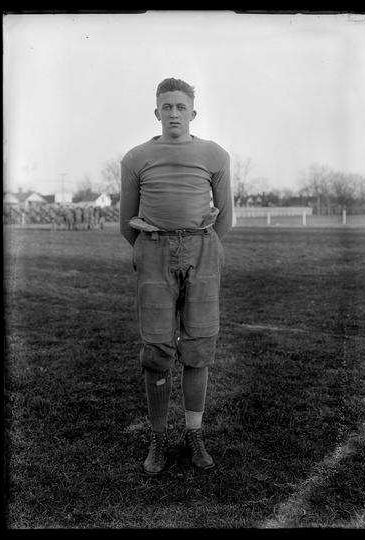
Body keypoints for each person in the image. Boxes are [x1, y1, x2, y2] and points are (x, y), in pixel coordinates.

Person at [120, 77, 233, 475]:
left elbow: (226, 218)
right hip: (153, 251)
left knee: (199, 346)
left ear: (192, 113)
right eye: (166, 106)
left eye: (180, 107)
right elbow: (125, 223)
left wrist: (200, 247)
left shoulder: (215, 155)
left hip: (202, 250)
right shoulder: (136, 158)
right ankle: (158, 438)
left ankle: (194, 434)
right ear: (156, 112)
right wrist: (155, 248)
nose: (173, 113)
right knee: (157, 350)